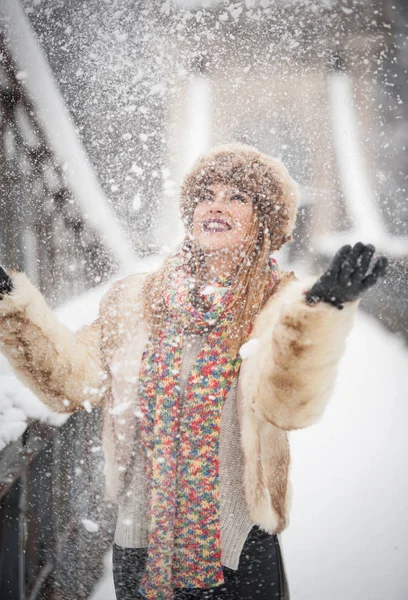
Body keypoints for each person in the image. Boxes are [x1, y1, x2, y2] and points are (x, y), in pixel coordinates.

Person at [0, 143, 388, 600]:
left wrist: (322, 308)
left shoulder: (282, 303)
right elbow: (73, 383)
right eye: (205, 195)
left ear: (263, 219)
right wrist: (14, 309)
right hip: (142, 537)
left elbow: (289, 406)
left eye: (236, 196)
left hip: (240, 543)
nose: (216, 204)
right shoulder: (134, 300)